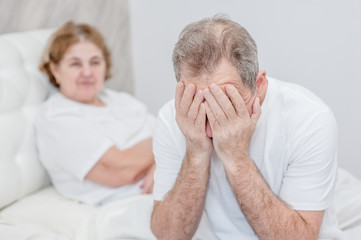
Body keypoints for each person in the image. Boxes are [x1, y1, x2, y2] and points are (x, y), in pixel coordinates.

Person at [150, 16, 344, 239]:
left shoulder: (310, 119)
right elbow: (168, 235)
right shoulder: (172, 117)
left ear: (258, 85)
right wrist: (195, 151)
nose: (212, 118)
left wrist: (236, 157)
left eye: (225, 100)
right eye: (197, 99)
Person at [36, 21, 155, 206]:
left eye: (95, 62)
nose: (87, 72)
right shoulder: (56, 118)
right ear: (55, 70)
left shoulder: (121, 100)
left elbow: (178, 136)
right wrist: (165, 154)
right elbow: (123, 170)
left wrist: (161, 164)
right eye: (75, 64)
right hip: (138, 203)